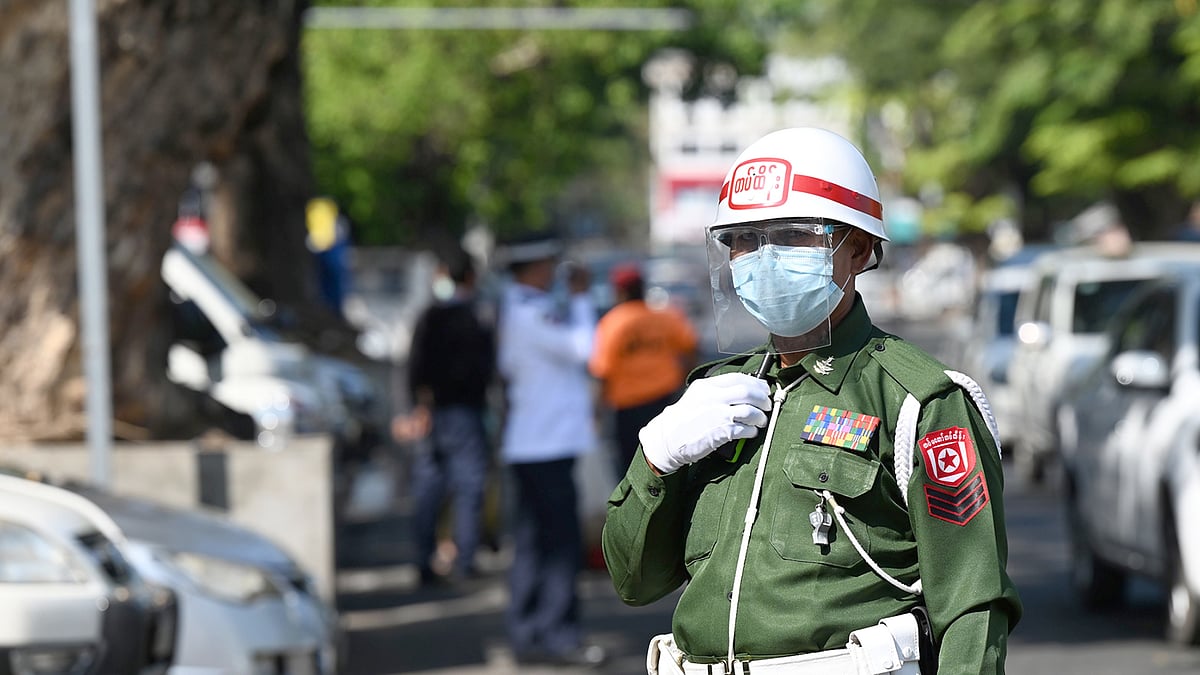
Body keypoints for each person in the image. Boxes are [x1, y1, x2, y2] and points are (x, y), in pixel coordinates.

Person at [602, 127, 1022, 675]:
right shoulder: (714, 397)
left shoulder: (918, 400)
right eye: (745, 240)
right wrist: (655, 458)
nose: (763, 257)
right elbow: (634, 581)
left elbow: (972, 604)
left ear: (859, 248)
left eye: (794, 235)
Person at [495, 233, 607, 667]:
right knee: (559, 546)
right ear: (533, 268)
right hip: (547, 445)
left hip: (535, 444)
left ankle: (527, 632)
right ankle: (559, 635)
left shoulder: (517, 309)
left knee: (533, 543)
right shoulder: (530, 312)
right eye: (548, 266)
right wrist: (581, 299)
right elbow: (587, 349)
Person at [394, 246, 495, 585]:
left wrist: (412, 408)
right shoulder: (478, 316)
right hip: (465, 416)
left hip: (432, 415)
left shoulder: (430, 316)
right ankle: (464, 561)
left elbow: (411, 366)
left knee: (429, 489)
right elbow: (489, 370)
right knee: (469, 488)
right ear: (471, 277)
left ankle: (424, 562)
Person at [588, 262, 698, 478]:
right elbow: (690, 349)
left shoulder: (612, 324)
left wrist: (596, 413)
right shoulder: (664, 316)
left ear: (618, 291)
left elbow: (602, 372)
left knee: (631, 469)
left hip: (628, 408)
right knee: (671, 463)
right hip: (665, 400)